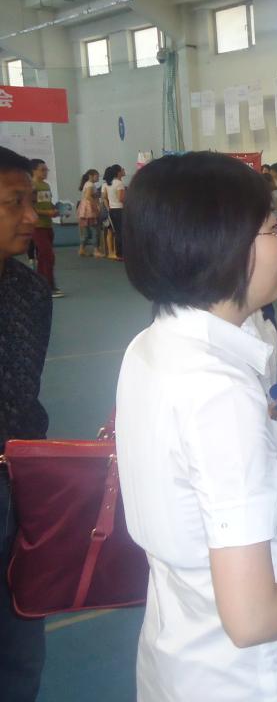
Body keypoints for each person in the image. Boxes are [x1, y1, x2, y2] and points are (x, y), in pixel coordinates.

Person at [116, 152, 277, 702]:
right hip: (250, 678)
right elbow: (253, 616)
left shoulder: (152, 346)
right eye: (273, 228)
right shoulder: (220, 394)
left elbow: (199, 509)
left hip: (183, 650)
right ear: (222, 244)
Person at [0, 146, 51, 701]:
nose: (31, 216)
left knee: (20, 647)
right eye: (15, 202)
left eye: (31, 201)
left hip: (22, 493)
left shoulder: (31, 293)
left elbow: (26, 397)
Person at [29, 159, 62, 297]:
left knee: (44, 257)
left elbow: (48, 204)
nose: (45, 172)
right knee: (48, 256)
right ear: (33, 171)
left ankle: (40, 285)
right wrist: (46, 213)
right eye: (42, 169)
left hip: (48, 225)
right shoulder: (31, 186)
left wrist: (57, 209)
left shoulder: (46, 185)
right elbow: (30, 207)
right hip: (37, 226)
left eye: (46, 169)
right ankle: (48, 286)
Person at [102, 164, 126, 260]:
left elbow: (105, 197)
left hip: (112, 209)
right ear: (118, 172)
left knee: (117, 232)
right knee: (121, 232)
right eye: (122, 170)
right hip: (120, 209)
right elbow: (121, 198)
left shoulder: (109, 183)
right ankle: (120, 254)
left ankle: (118, 253)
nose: (123, 171)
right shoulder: (119, 183)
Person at [77, 169, 102, 257]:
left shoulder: (87, 184)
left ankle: (82, 249)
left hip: (84, 209)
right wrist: (96, 205)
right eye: (97, 176)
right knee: (95, 230)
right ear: (91, 176)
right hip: (89, 209)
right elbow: (88, 196)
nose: (98, 177)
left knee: (86, 231)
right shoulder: (90, 184)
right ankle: (96, 250)